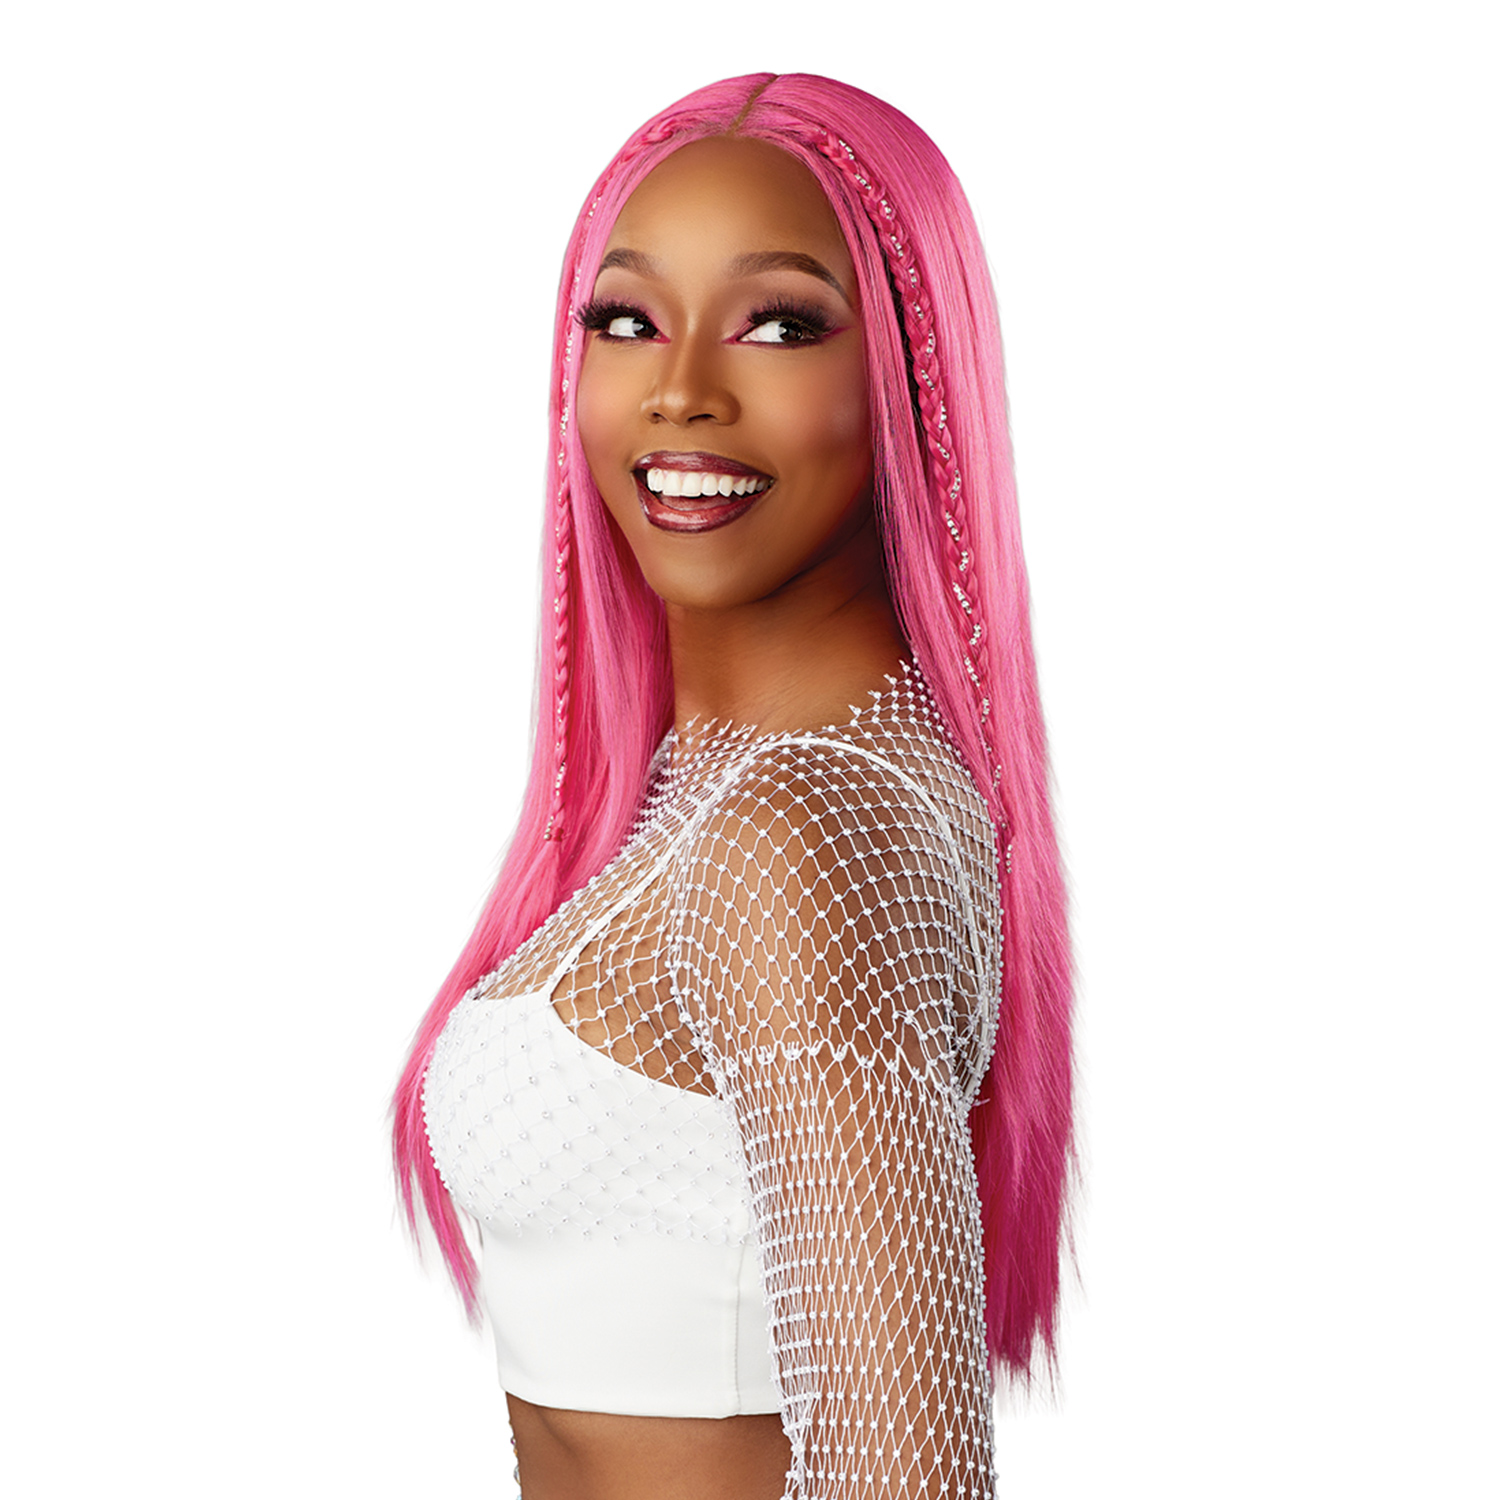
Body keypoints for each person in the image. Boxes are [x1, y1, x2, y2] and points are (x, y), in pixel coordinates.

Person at [393, 73, 1074, 1500]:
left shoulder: (798, 829)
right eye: (626, 320)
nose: (684, 389)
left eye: (779, 324)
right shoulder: (719, 789)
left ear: (912, 376)